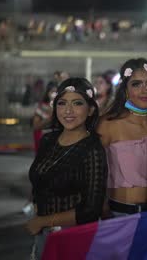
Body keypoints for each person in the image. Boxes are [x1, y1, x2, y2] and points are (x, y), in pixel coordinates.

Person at [26, 78, 108, 259]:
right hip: (43, 234)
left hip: (74, 236)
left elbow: (91, 210)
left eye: (77, 103)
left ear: (91, 110)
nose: (68, 111)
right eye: (62, 103)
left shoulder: (92, 149)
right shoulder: (48, 141)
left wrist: (43, 221)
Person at [97, 58, 147, 216]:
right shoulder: (108, 124)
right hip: (119, 215)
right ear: (125, 89)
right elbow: (94, 175)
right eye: (136, 84)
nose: (145, 90)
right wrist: (102, 211)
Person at [32, 83, 57, 153]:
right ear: (48, 93)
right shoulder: (41, 107)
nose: (54, 94)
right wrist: (49, 119)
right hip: (45, 140)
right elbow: (35, 126)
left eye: (57, 92)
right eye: (52, 92)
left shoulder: (62, 107)